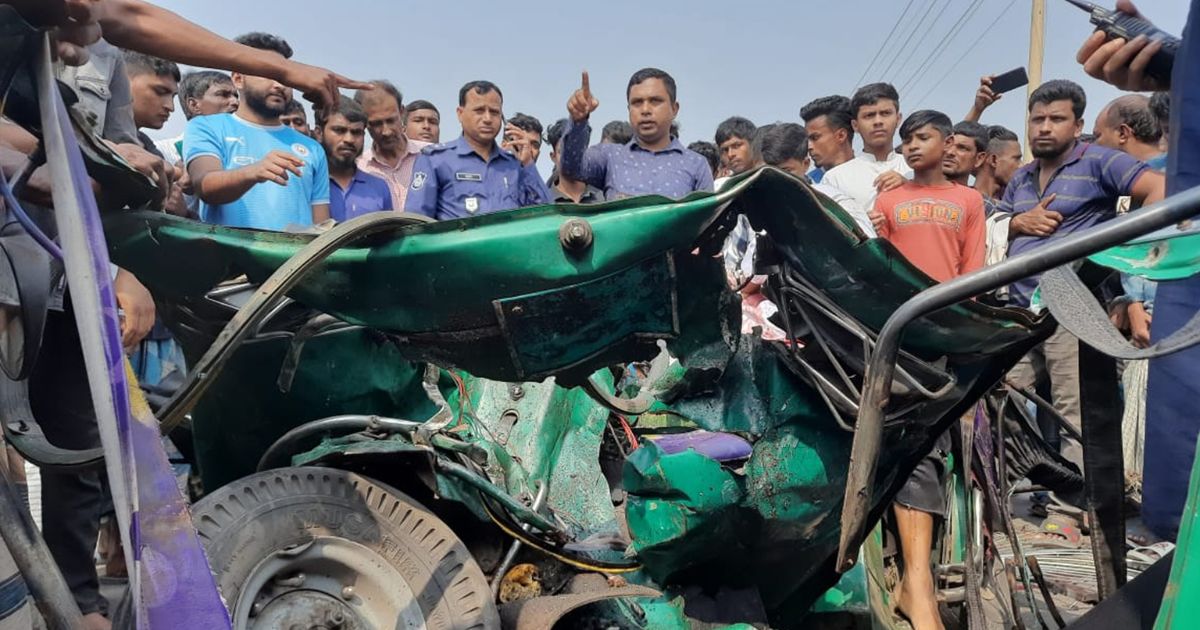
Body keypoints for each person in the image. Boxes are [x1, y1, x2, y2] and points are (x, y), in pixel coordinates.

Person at [1002, 79, 1164, 468]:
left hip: (1071, 309)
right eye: (1037, 119)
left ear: (1077, 126)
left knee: (1073, 414)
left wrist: (1122, 253)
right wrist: (1018, 223)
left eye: (1056, 119)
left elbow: (1158, 189)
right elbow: (997, 225)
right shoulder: (1021, 177)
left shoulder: (1100, 161)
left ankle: (1073, 499)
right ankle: (1027, 482)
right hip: (1020, 312)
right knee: (998, 399)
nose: (1044, 127)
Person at [869, 110, 985, 630]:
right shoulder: (888, 200)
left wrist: (967, 334)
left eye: (923, 137)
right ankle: (913, 585)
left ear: (948, 142)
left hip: (946, 335)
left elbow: (973, 272)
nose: (913, 147)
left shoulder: (969, 201)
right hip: (897, 336)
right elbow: (878, 271)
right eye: (907, 140)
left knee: (931, 446)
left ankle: (916, 585)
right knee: (906, 441)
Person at [184, 32, 330, 230]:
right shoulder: (206, 127)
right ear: (238, 78)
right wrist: (252, 172)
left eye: (285, 77)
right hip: (228, 250)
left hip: (299, 252)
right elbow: (205, 186)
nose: (279, 85)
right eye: (269, 74)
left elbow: (321, 227)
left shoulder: (312, 148)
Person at [560, 68, 713, 200]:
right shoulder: (610, 157)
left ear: (674, 109)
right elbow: (571, 168)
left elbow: (707, 218)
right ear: (629, 109)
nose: (645, 110)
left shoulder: (696, 164)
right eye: (637, 102)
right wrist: (578, 121)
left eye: (655, 101)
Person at [405, 81, 549, 219]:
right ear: (460, 113)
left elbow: (546, 214)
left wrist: (528, 165)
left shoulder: (514, 165)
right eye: (479, 111)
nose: (487, 119)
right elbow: (417, 221)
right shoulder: (435, 159)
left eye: (494, 112)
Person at [752, 122, 875, 236]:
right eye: (770, 172)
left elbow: (867, 241)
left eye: (786, 171)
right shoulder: (762, 209)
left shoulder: (833, 201)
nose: (778, 179)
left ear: (805, 164)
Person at [821, 82, 910, 212]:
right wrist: (863, 221)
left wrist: (911, 187)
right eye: (869, 115)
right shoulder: (835, 179)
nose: (878, 121)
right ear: (855, 125)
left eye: (885, 113)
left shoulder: (917, 170)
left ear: (898, 119)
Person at [355, 80, 429, 211]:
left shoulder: (432, 156)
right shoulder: (359, 168)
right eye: (376, 124)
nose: (386, 131)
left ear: (402, 112)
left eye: (391, 120)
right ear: (364, 123)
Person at [317, 96, 392, 222]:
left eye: (356, 132)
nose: (349, 139)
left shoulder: (379, 187)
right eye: (339, 130)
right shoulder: (307, 184)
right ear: (319, 133)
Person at [154, 70, 238, 165]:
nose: (235, 102)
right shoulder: (162, 153)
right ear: (194, 105)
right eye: (223, 95)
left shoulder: (245, 149)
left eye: (236, 96)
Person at [800, 95, 855, 183]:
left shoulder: (874, 176)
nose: (808, 147)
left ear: (841, 135)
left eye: (815, 138)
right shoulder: (807, 186)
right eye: (807, 140)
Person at [545, 118, 603, 203]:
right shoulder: (542, 203)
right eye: (563, 152)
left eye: (577, 151)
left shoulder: (605, 198)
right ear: (553, 157)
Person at [942, 120, 988, 186]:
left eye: (962, 148)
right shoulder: (924, 189)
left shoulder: (975, 194)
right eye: (948, 144)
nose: (950, 152)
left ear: (979, 159)